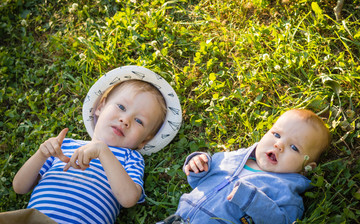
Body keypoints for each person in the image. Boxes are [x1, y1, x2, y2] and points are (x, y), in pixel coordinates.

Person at [10, 65, 182, 224]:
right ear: (100, 107)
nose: (125, 119)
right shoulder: (65, 145)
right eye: (121, 106)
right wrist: (41, 155)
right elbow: (19, 187)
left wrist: (103, 152)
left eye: (139, 121)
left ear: (144, 140)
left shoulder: (130, 158)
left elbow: (129, 199)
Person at [159, 109, 330, 224]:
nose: (279, 145)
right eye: (276, 134)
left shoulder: (286, 192)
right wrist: (197, 165)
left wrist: (252, 200)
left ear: (307, 166)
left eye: (294, 147)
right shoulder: (229, 158)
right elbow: (198, 183)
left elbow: (282, 221)